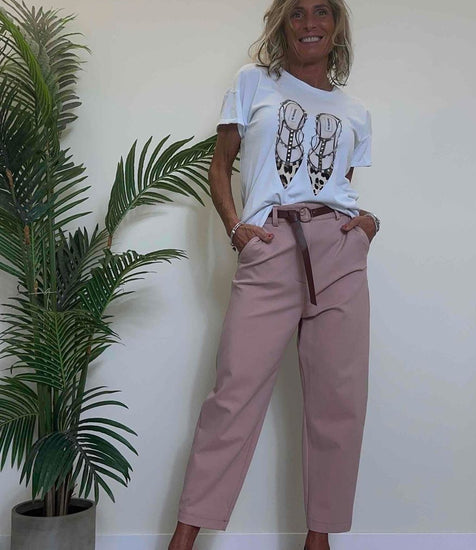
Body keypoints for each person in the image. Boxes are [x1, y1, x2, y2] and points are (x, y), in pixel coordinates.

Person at [168, 0, 379, 548]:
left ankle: (318, 540)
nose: (310, 24)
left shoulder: (355, 111)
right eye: (297, 14)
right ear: (282, 25)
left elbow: (337, 183)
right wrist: (235, 227)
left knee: (338, 402)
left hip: (338, 252)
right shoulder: (253, 82)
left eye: (322, 12)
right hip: (270, 242)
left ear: (336, 27)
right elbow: (221, 164)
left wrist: (364, 226)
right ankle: (182, 540)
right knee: (233, 394)